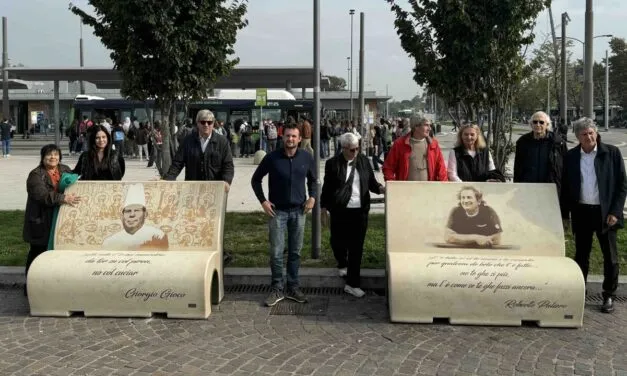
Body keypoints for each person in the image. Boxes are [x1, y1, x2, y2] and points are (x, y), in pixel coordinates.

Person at [561, 117, 627, 314]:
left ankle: (608, 295)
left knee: (611, 257)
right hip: (581, 212)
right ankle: (581, 292)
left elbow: (622, 186)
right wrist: (566, 215)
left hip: (605, 213)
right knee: (581, 255)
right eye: (584, 134)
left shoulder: (611, 153)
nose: (589, 137)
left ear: (596, 133)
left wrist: (615, 211)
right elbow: (565, 187)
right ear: (577, 137)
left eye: (591, 133)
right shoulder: (571, 156)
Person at [251, 123, 317, 307]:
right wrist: (263, 201)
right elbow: (255, 180)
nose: (290, 139)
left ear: (299, 138)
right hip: (277, 211)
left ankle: (293, 286)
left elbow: (314, 181)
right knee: (276, 252)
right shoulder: (272, 158)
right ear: (282, 137)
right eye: (288, 136)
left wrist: (312, 197)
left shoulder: (306, 157)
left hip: (299, 210)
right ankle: (277, 287)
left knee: (295, 252)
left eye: (294, 136)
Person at [320, 132, 385, 297]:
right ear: (343, 149)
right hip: (340, 210)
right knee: (338, 242)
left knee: (357, 248)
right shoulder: (332, 164)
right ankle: (342, 263)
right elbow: (327, 188)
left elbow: (371, 182)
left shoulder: (363, 161)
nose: (355, 152)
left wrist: (381, 188)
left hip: (360, 210)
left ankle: (352, 283)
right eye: (352, 150)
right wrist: (323, 209)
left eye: (357, 148)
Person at [23, 145, 81, 287]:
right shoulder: (35, 175)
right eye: (49, 155)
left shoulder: (65, 169)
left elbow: (77, 183)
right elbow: (41, 196)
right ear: (43, 158)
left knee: (57, 254)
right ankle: (30, 284)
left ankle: (51, 284)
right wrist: (63, 198)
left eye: (56, 154)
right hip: (40, 220)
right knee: (37, 253)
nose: (53, 157)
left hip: (60, 219)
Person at [163, 110, 234, 191]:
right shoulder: (188, 141)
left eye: (209, 122)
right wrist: (167, 180)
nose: (206, 125)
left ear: (213, 123)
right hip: (193, 188)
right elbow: (177, 163)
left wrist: (227, 181)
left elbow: (228, 165)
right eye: (203, 122)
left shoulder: (222, 142)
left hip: (215, 189)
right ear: (198, 123)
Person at [513, 111, 567, 195]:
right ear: (531, 124)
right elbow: (517, 167)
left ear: (547, 125)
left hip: (551, 190)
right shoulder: (522, 142)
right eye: (535, 122)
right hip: (528, 189)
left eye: (541, 122)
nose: (538, 125)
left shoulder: (558, 142)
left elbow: (565, 167)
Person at [102, 183, 169, 250]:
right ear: (122, 216)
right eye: (128, 211)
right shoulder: (109, 242)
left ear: (145, 214)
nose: (132, 215)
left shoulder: (159, 236)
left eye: (137, 210)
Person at [383, 116, 447, 181]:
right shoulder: (400, 144)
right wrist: (392, 185)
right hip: (406, 190)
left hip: (428, 190)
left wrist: (443, 186)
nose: (430, 128)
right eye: (426, 125)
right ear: (416, 126)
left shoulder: (433, 144)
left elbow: (442, 169)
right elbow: (388, 168)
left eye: (430, 125)